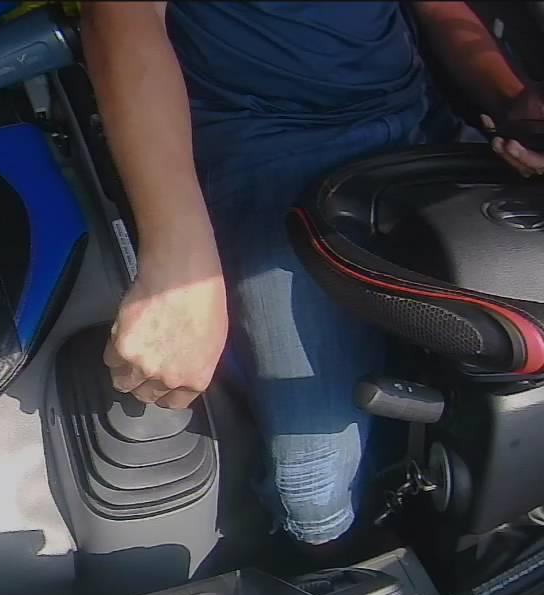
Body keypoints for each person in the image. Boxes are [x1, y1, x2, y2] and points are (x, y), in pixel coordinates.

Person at [81, 2, 544, 550]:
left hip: (418, 118)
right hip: (265, 144)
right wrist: (179, 264)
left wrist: (513, 101)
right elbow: (120, 17)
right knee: (315, 488)